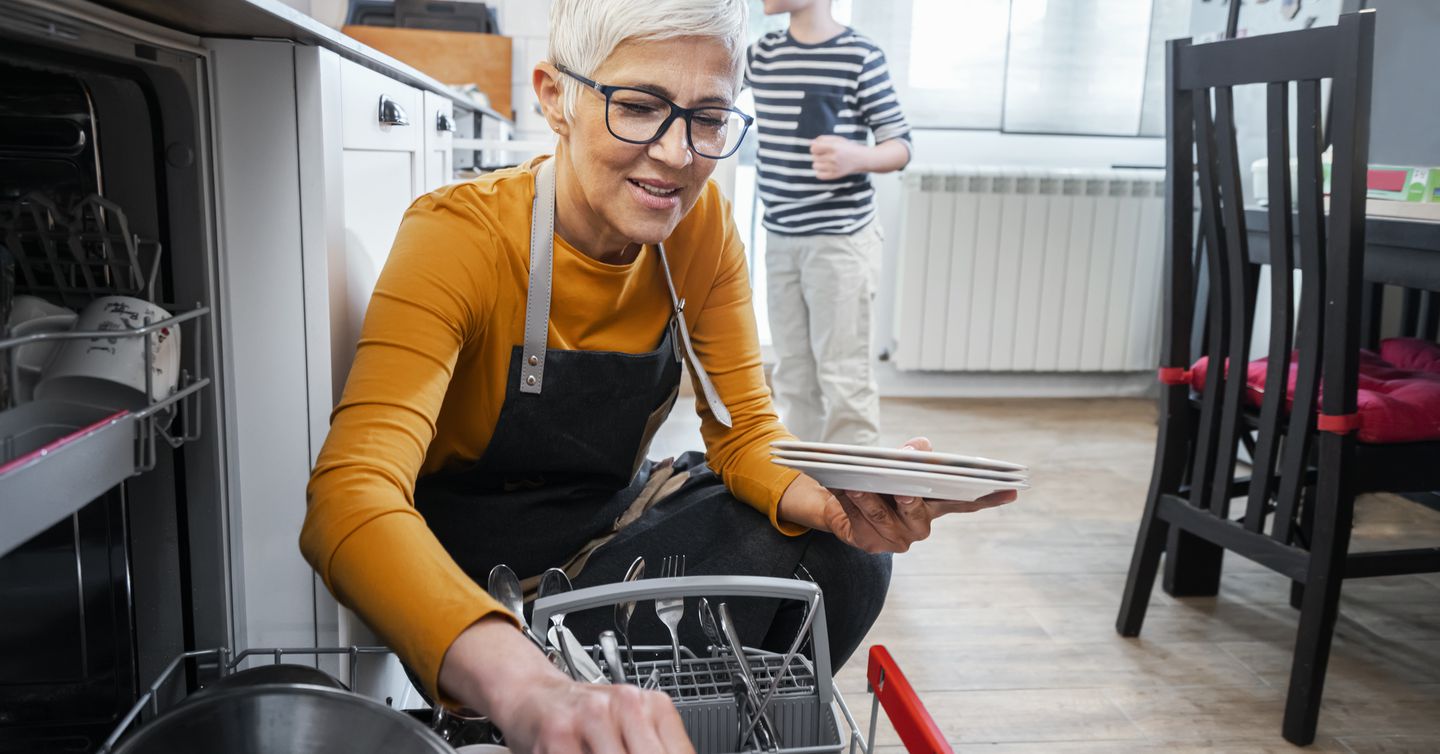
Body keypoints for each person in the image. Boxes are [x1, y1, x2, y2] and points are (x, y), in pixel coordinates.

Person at [301, 0, 1013, 751]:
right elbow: (350, 497)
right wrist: (526, 684)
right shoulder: (460, 238)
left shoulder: (699, 232)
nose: (677, 154)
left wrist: (842, 500)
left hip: (612, 528)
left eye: (708, 117)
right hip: (487, 585)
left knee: (848, 560)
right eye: (639, 107)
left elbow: (745, 439)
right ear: (555, 97)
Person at [746, 0, 913, 446]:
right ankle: (808, 486)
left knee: (843, 376)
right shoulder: (760, 55)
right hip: (779, 239)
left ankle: (858, 497)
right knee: (793, 371)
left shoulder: (859, 54)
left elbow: (899, 144)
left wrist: (857, 157)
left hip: (840, 244)